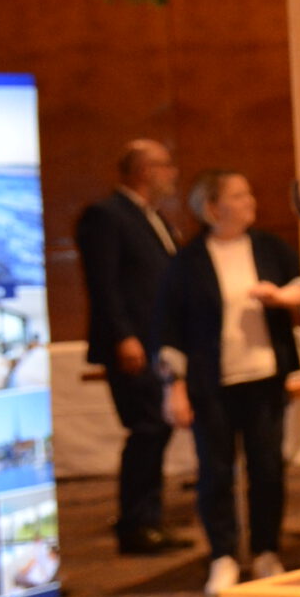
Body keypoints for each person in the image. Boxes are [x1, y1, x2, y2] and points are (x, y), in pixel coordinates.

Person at [156, 171, 300, 596]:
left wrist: (281, 297)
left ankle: (266, 551)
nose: (249, 201)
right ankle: (223, 556)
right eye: (238, 195)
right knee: (216, 473)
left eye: (248, 193)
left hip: (265, 379)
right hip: (212, 386)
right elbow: (169, 329)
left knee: (268, 469)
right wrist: (174, 386)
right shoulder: (187, 262)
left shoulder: (269, 246)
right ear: (212, 208)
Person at [74, 139, 191, 556]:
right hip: (133, 344)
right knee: (147, 427)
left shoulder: (152, 217)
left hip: (157, 342)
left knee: (156, 427)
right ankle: (137, 525)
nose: (172, 173)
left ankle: (147, 519)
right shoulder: (106, 216)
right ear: (144, 171)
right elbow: (103, 284)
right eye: (165, 165)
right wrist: (124, 335)